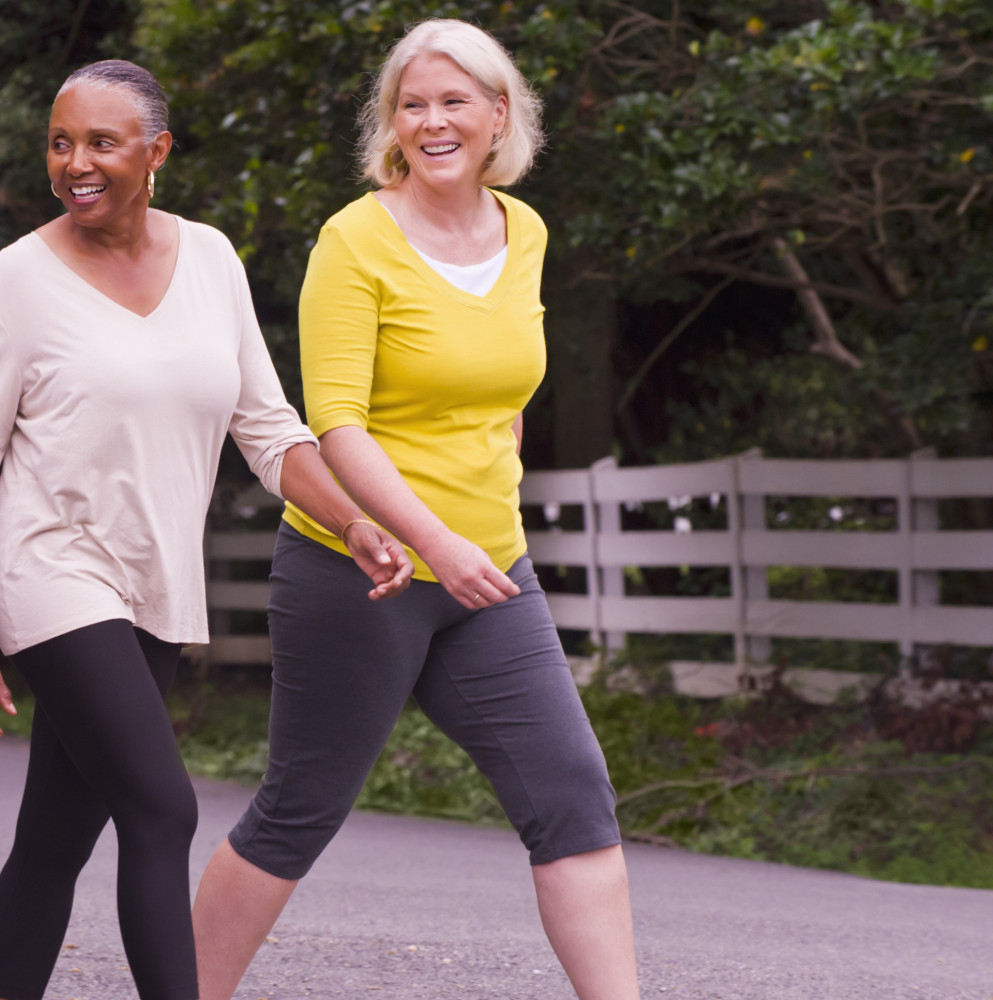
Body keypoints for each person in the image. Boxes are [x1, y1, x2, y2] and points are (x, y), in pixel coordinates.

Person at [0, 60, 414, 1000]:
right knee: (161, 810)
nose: (76, 163)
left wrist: (352, 521)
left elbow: (270, 431)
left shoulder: (212, 260)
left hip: (153, 585)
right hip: (50, 571)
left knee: (53, 840)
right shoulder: (16, 281)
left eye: (102, 143)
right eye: (60, 142)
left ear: (156, 154)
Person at [188, 19, 640, 1000]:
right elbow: (335, 427)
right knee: (299, 806)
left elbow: (503, 388)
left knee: (571, 798)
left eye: (452, 102)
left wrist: (485, 504)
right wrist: (431, 537)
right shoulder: (354, 241)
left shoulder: (525, 232)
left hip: (488, 573)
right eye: (411, 103)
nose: (431, 121)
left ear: (496, 115)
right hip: (359, 572)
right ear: (390, 122)